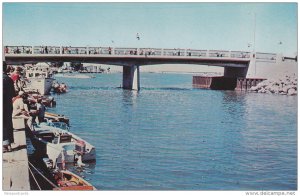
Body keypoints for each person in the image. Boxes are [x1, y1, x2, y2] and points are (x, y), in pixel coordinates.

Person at [3, 61, 15, 152]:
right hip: (8, 105)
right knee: (8, 123)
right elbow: (13, 94)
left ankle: (4, 145)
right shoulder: (9, 79)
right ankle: (9, 143)